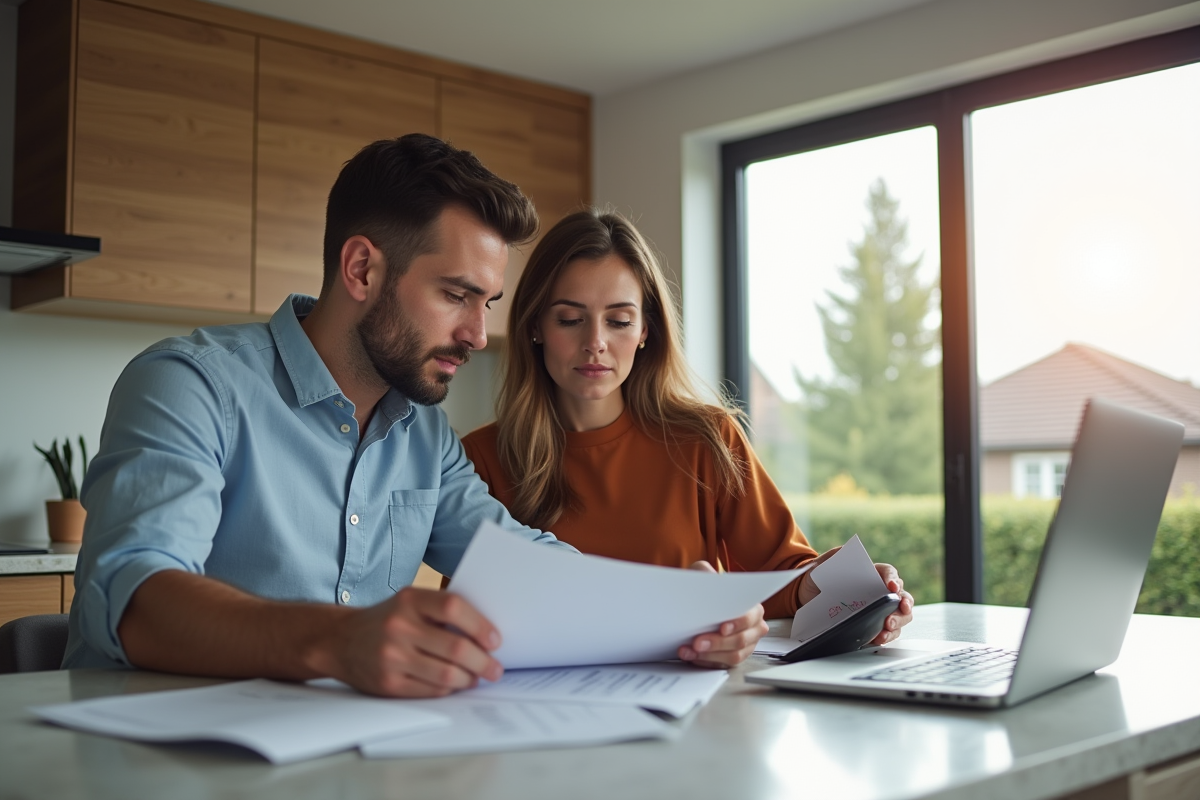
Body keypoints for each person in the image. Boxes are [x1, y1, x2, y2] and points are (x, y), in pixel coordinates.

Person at [62, 134, 584, 697]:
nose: (478, 336)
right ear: (361, 269)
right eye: (457, 295)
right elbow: (135, 599)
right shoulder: (192, 384)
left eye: (488, 304)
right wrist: (338, 640)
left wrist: (677, 612)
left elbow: (517, 559)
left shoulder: (424, 433)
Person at [461, 209, 915, 668]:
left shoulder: (706, 439)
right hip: (539, 710)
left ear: (645, 331)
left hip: (694, 705)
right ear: (536, 326)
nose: (595, 341)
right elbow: (467, 622)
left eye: (619, 320)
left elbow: (783, 578)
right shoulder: (479, 459)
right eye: (569, 319)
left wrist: (841, 588)